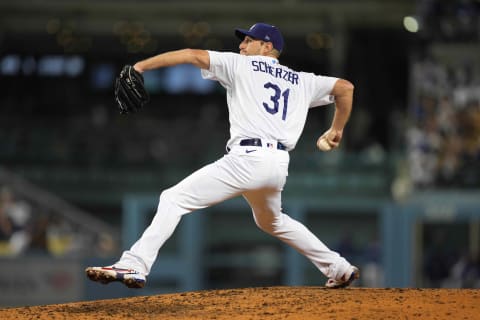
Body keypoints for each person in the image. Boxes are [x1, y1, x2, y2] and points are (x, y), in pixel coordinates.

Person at [86, 22, 358, 289]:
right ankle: (339, 268)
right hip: (277, 165)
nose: (241, 45)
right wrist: (336, 130)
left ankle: (134, 263)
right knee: (271, 221)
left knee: (173, 198)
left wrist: (139, 67)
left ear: (267, 46)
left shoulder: (240, 64)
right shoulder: (302, 80)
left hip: (247, 158)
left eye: (248, 41)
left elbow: (192, 55)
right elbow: (346, 87)